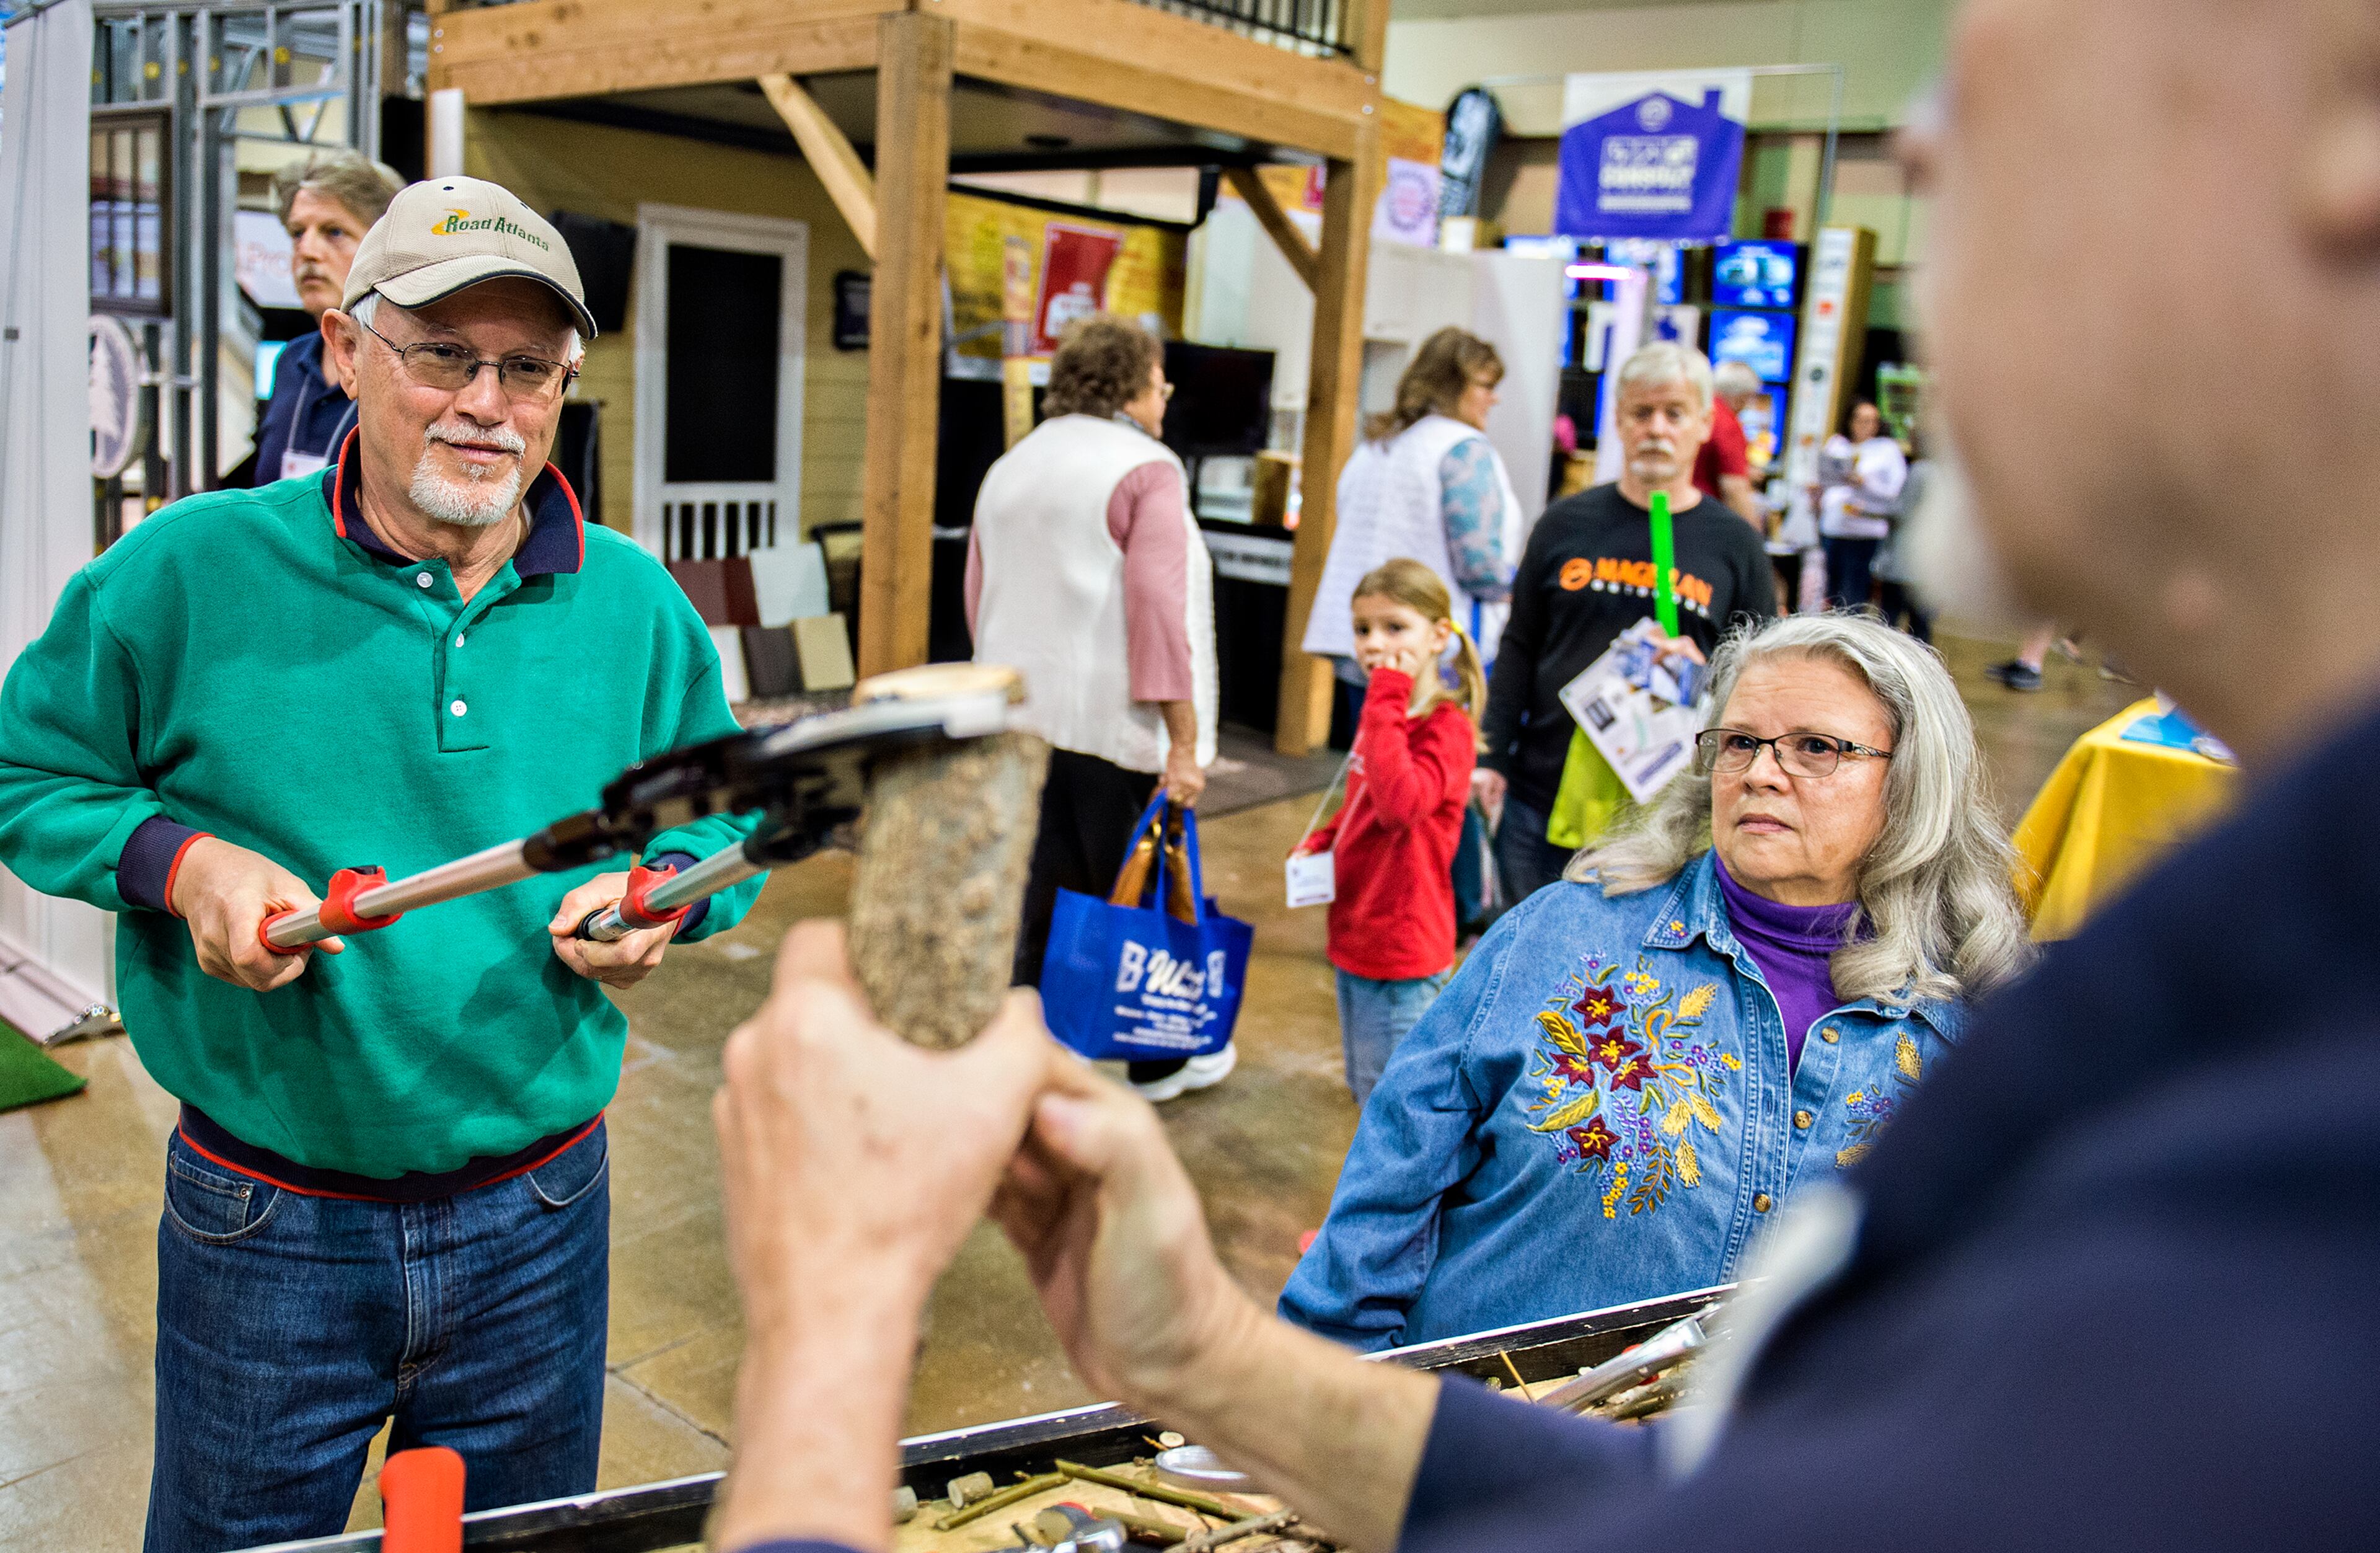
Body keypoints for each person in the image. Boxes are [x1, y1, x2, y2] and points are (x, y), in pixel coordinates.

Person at [700, 1, 2380, 1549]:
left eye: (2013, 64)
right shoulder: (2222, 983)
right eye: (1743, 738)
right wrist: (1212, 1360)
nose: (1924, 149)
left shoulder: (2272, 1136)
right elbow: (1718, 1489)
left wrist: (838, 1318)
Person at [0, 176, 766, 1552]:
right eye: (442, 354)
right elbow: (29, 774)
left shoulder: (638, 607)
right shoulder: (184, 574)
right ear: (345, 351)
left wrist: (665, 892)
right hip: (268, 1219)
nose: (488, 401)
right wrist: (184, 866)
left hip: (543, 1209)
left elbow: (720, 821)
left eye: (527, 368)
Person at [1280, 613, 2025, 1349]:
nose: (1762, 772)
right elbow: (1392, 1177)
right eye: (1740, 743)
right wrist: (1352, 1393)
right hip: (1499, 1444)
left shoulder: (1973, 1018)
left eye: (1816, 748)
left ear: (1913, 784)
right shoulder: (1564, 936)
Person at [966, 313, 1220, 1102]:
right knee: (1133, 894)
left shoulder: (1011, 465)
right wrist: (1184, 738)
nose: (1167, 392)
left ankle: (1034, 1049)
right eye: (1159, 379)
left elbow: (979, 595)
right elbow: (1158, 609)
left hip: (1020, 722)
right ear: (1134, 387)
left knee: (1038, 888)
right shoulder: (1147, 470)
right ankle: (1154, 1060)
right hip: (1116, 724)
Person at [1476, 343, 1775, 905]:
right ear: (1618, 420)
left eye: (1674, 413)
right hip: (1540, 794)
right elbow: (1519, 645)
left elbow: (1764, 680)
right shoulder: (1564, 523)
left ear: (1705, 424)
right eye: (1642, 413)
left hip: (1664, 810)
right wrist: (1490, 756)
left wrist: (1707, 671)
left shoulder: (1734, 543)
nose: (1656, 429)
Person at [1304, 328, 1523, 934]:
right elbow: (1480, 564)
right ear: (1457, 386)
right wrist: (1523, 583)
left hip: (1363, 645)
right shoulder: (1463, 451)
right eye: (1486, 385)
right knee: (1436, 794)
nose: (1494, 399)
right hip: (1434, 656)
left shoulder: (1374, 448)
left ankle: (1375, 909)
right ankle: (1451, 915)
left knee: (1373, 782)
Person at [1293, 560, 1485, 1108]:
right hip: (1355, 933)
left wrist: (1386, 697)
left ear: (1438, 636)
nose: (1375, 642)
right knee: (1366, 1089)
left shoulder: (1443, 727)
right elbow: (1364, 795)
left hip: (1403, 953)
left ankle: (1398, 1198)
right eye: (1363, 629)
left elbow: (1401, 806)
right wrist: (1325, 838)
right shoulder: (1386, 717)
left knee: (1395, 1108)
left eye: (1395, 627)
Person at [252, 151, 405, 485]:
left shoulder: (408, 368)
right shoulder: (292, 360)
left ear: (384, 248)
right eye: (297, 233)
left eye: (333, 232)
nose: (307, 250)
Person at [1814, 398, 1908, 610]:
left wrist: (1866, 484)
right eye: (1861, 420)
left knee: (1853, 594)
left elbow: (1896, 493)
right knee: (1831, 594)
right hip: (1833, 528)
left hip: (1864, 531)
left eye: (1872, 421)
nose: (1866, 426)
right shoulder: (1838, 444)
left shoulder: (1887, 450)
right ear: (1850, 420)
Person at [1873, 435, 1936, 643]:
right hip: (1928, 566)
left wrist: (1868, 509)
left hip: (1904, 563)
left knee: (1888, 622)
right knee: (1921, 628)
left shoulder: (1919, 470)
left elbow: (1902, 511)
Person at [1695, 359, 1766, 531]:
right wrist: (1754, 538)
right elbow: (1734, 489)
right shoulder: (1728, 425)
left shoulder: (1702, 413)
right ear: (1744, 397)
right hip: (1707, 520)